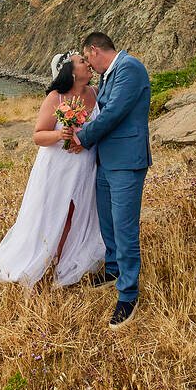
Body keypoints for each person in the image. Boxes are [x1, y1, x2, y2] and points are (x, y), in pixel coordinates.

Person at [0, 52, 105, 292]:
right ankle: (47, 260)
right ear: (69, 71)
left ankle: (67, 262)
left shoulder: (96, 93)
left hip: (86, 166)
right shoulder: (55, 98)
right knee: (55, 212)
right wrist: (60, 134)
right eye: (81, 61)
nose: (87, 64)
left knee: (80, 212)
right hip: (58, 167)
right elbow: (38, 135)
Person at [63, 32, 151, 330]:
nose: (89, 65)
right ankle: (113, 270)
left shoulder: (130, 68)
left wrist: (81, 137)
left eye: (88, 60)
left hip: (126, 161)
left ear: (95, 50)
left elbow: (113, 113)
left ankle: (128, 295)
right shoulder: (108, 76)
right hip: (106, 162)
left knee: (125, 228)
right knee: (108, 223)